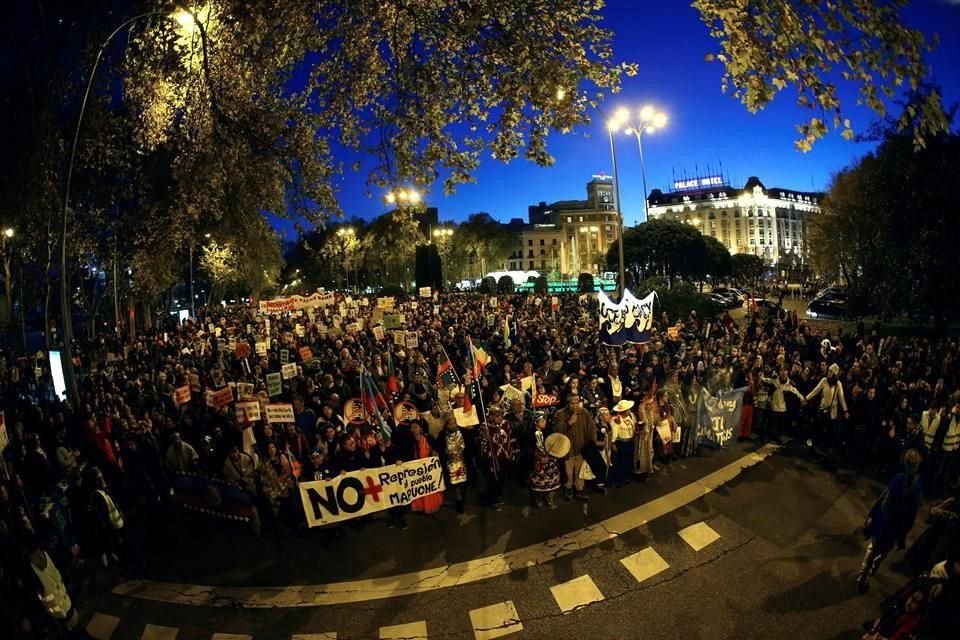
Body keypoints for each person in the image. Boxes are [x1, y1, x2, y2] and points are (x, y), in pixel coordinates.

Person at [858, 448, 924, 593]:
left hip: (883, 519)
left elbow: (884, 498)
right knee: (883, 551)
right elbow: (912, 512)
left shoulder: (897, 478)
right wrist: (904, 531)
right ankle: (871, 571)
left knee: (872, 548)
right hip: (896, 526)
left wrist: (872, 515)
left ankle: (863, 574)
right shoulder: (918, 485)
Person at [552, 393, 597, 501]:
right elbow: (557, 431)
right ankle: (568, 488)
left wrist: (592, 442)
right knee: (569, 471)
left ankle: (579, 489)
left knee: (579, 470)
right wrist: (569, 423)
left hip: (581, 448)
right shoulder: (560, 414)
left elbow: (591, 428)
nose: (575, 405)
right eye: (572, 403)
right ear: (568, 404)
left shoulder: (584, 412)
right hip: (567, 449)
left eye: (577, 403)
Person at [805, 362, 849, 450]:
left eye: (831, 372)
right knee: (819, 427)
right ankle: (814, 444)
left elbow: (841, 398)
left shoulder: (838, 384)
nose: (828, 373)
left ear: (834, 374)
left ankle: (825, 446)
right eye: (829, 371)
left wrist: (845, 410)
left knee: (829, 429)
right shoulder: (824, 380)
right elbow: (815, 391)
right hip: (822, 408)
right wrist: (806, 398)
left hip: (832, 411)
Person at [761, 368, 806, 443]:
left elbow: (796, 392)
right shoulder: (775, 381)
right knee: (773, 424)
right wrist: (761, 378)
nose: (783, 375)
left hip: (782, 408)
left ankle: (778, 437)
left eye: (785, 373)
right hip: (774, 406)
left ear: (787, 373)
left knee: (780, 425)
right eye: (782, 373)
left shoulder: (790, 384)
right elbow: (767, 380)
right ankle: (774, 437)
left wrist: (803, 399)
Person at [526, 412, 560, 509]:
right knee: (538, 481)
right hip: (537, 461)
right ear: (536, 422)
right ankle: (537, 497)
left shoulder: (548, 431)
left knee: (550, 480)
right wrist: (538, 457)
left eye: (545, 420)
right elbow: (528, 448)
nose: (544, 422)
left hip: (549, 460)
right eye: (542, 421)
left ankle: (548, 497)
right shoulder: (529, 433)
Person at [409, 422, 442, 515]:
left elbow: (435, 448)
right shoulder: (409, 441)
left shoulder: (428, 438)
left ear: (420, 428)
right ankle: (421, 507)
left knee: (429, 487)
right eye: (412, 428)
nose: (414, 429)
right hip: (417, 470)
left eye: (416, 427)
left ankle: (431, 505)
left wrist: (435, 452)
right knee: (420, 488)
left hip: (428, 468)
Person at [438, 412, 469, 513]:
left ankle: (462, 498)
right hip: (451, 464)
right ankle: (459, 501)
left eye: (454, 423)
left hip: (463, 462)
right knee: (456, 485)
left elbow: (470, 445)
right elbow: (439, 447)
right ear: (446, 425)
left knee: (463, 484)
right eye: (450, 423)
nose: (453, 425)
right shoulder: (442, 436)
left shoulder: (463, 432)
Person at [609, 401, 636, 487]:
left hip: (630, 441)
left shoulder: (630, 417)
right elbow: (614, 432)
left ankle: (626, 477)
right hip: (621, 443)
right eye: (628, 410)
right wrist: (613, 444)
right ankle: (618, 480)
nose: (629, 411)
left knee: (628, 460)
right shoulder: (616, 420)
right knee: (620, 462)